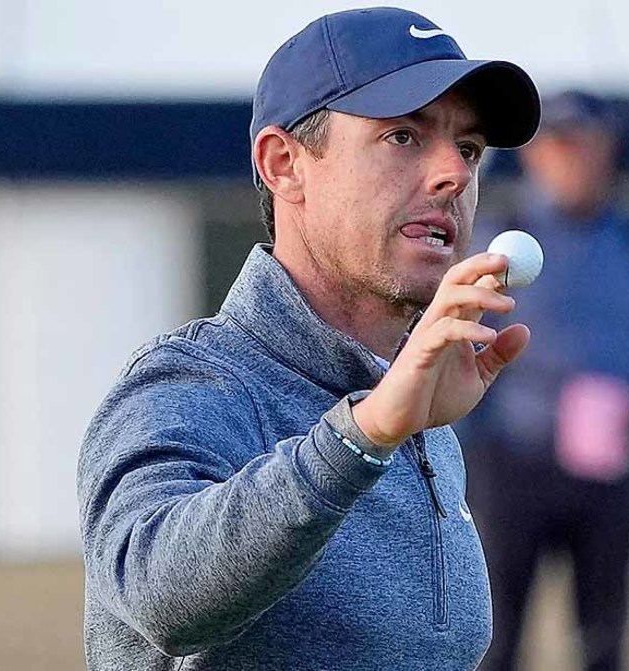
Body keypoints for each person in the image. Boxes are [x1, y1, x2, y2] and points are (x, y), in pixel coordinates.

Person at [76, 8, 540, 670]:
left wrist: (379, 423)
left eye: (468, 148)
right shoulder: (190, 382)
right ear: (283, 163)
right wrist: (365, 433)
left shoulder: (425, 416)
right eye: (404, 137)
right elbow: (155, 591)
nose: (455, 174)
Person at [457, 90, 629, 671]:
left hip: (608, 472)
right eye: (556, 146)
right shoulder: (496, 240)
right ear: (533, 157)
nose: (571, 159)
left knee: (605, 643)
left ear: (608, 152)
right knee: (495, 640)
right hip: (512, 466)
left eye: (584, 145)